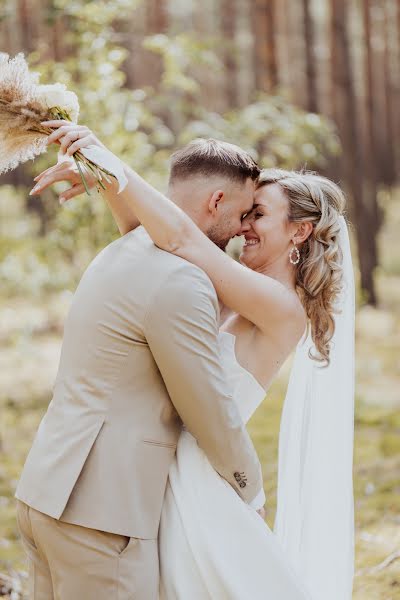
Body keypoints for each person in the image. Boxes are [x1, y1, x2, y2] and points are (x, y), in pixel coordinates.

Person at [28, 121, 355, 600]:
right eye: (245, 212)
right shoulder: (234, 289)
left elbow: (181, 238)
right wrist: (110, 185)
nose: (243, 227)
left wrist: (113, 166)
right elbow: (157, 240)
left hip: (203, 481)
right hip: (158, 478)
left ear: (299, 231)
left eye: (258, 214)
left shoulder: (282, 307)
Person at [16, 134, 266, 600]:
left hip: (44, 495)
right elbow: (208, 407)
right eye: (243, 212)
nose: (241, 228)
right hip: (101, 518)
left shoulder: (124, 249)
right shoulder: (181, 281)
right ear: (216, 200)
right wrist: (250, 490)